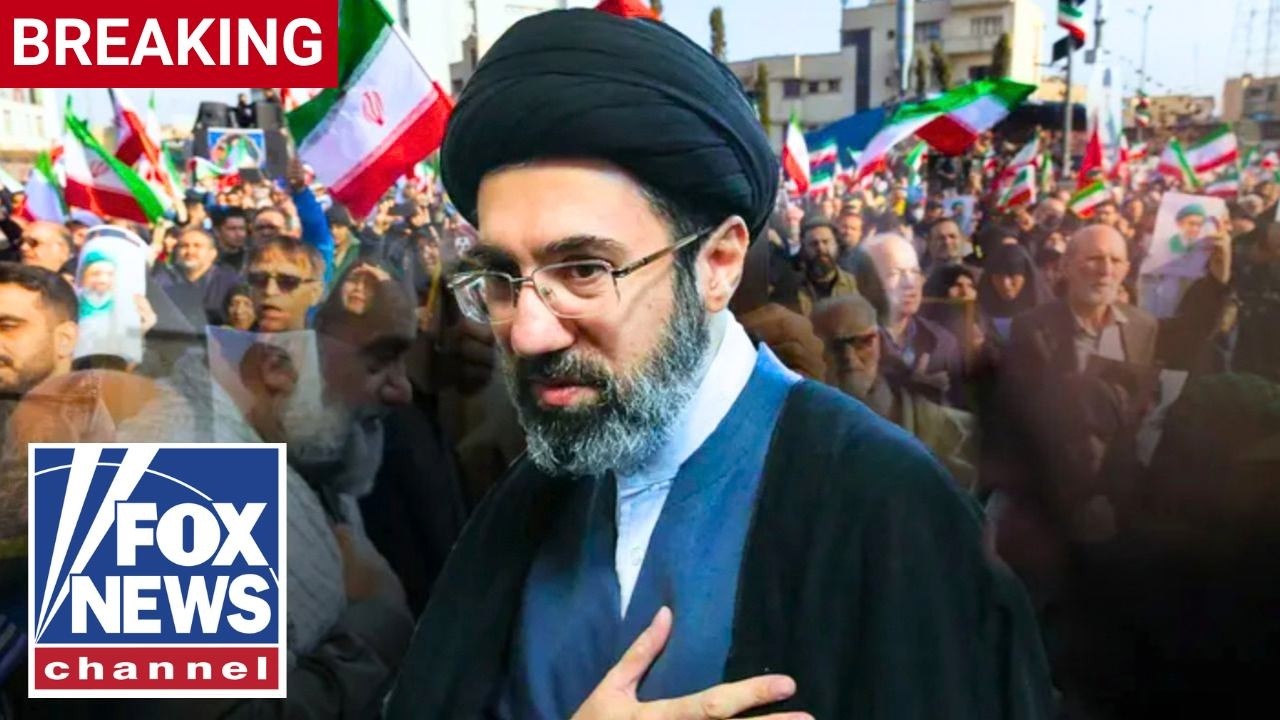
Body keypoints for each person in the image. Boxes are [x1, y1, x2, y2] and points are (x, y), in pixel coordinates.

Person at [387, 8, 1049, 720]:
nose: (528, 333)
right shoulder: (520, 508)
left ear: (718, 263)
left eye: (582, 271)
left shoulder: (889, 512)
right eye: (501, 280)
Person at [811, 294, 978, 490]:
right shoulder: (797, 432)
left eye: (862, 342)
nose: (849, 357)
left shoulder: (961, 433)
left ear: (879, 343)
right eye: (835, 346)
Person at [1007, 224, 1158, 383]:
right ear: (1065, 266)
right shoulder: (1031, 329)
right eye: (1095, 259)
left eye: (1115, 261)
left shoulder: (1143, 326)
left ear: (1126, 270)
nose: (1106, 270)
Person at [866, 234, 965, 406]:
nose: (909, 283)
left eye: (914, 272)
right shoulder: (851, 344)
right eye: (894, 273)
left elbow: (960, 408)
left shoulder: (943, 342)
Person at [153, 228, 242, 329]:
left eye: (197, 246)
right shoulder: (163, 281)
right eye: (184, 246)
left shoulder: (230, 282)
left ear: (213, 253)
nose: (190, 251)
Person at [976, 243, 1053, 346]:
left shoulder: (1050, 315)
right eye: (998, 277)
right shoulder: (976, 315)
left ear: (1025, 276)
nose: (1006, 284)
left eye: (1012, 276)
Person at [245, 237, 326, 333]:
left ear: (315, 292)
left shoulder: (328, 342)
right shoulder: (232, 341)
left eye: (287, 282)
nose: (270, 291)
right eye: (259, 279)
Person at [796, 218, 858, 315]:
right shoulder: (791, 287)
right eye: (813, 244)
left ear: (836, 245)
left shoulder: (853, 284)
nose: (821, 248)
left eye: (826, 242)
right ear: (804, 248)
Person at [214, 207, 251, 274]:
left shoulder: (252, 257)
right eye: (232, 229)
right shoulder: (209, 259)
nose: (239, 234)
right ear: (217, 231)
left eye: (242, 228)